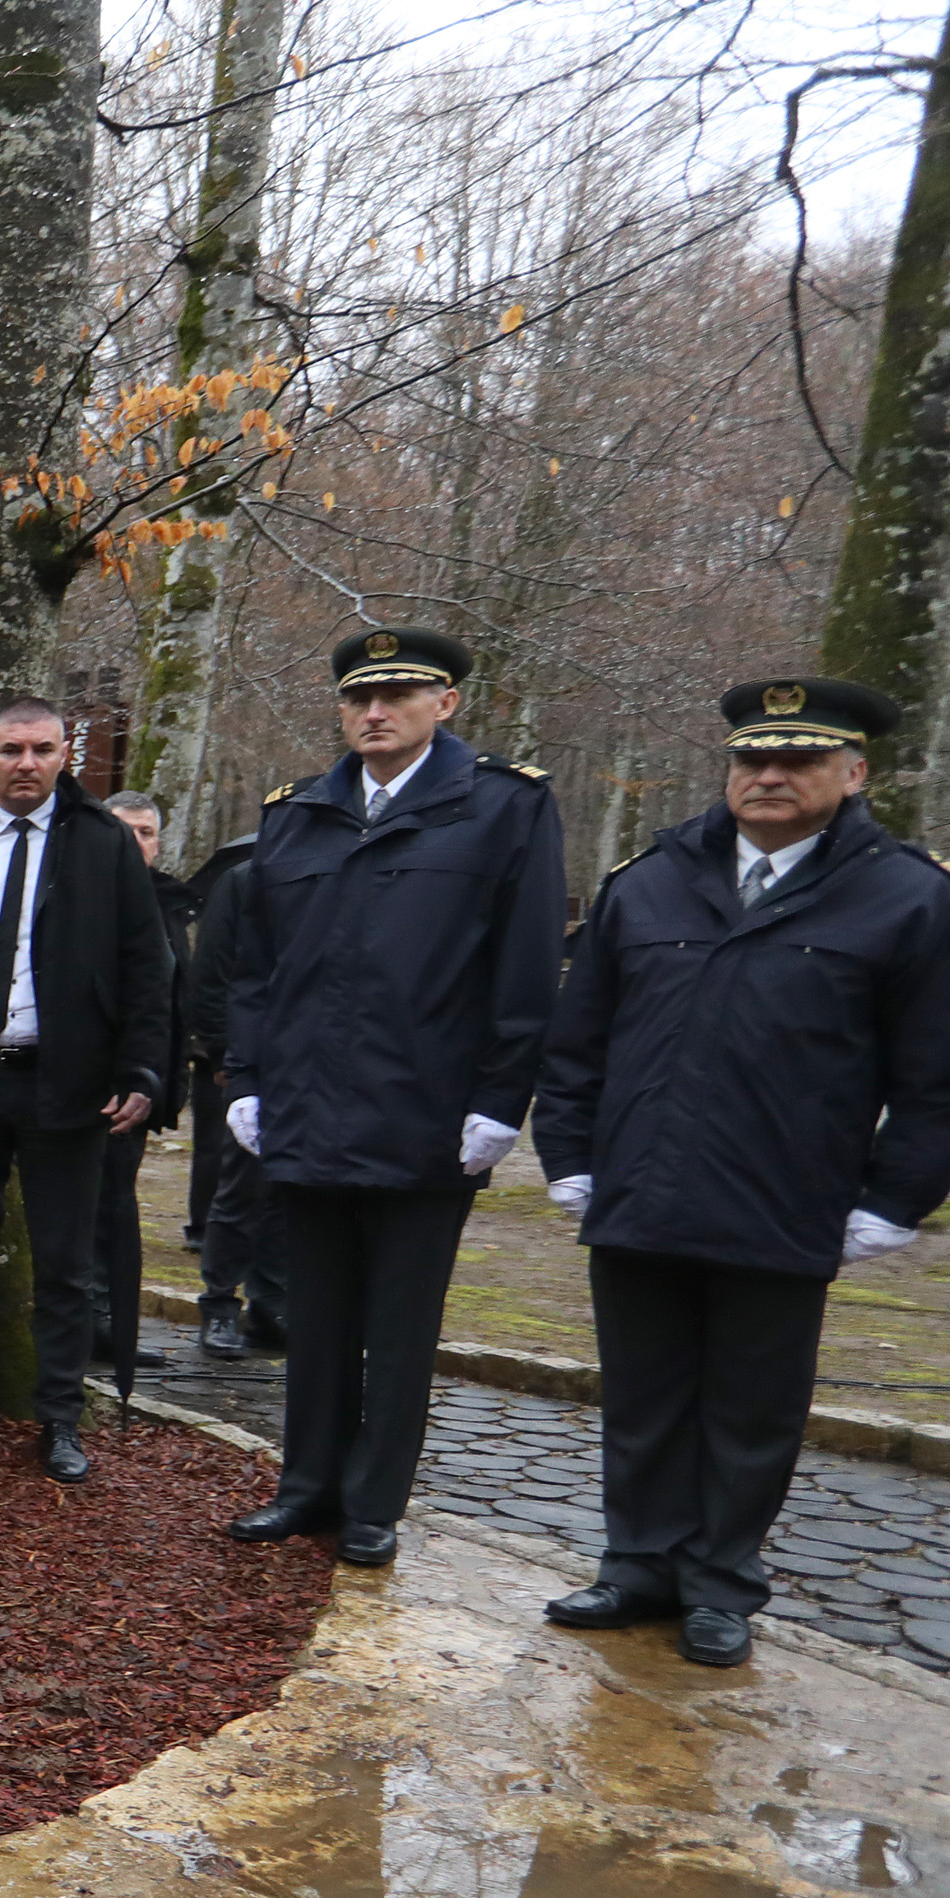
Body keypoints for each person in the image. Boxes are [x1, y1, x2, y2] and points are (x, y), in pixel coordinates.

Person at [531, 678, 950, 1666]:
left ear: (853, 772)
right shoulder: (648, 880)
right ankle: (637, 1564)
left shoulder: (912, 895)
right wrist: (567, 1155)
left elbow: (945, 1075)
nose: (770, 776)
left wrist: (892, 1199)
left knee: (750, 1408)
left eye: (799, 760)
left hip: (787, 1198)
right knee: (644, 1393)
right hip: (641, 1189)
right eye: (752, 758)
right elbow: (578, 1040)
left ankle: (719, 1582)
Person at [222, 628, 565, 1567]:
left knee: (400, 1326)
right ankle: (307, 1488)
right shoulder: (298, 814)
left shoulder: (504, 808)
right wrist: (245, 1078)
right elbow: (256, 971)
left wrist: (502, 1100)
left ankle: (375, 1502)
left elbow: (526, 968)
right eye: (359, 698)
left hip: (429, 1111)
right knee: (311, 1317)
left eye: (401, 694)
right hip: (306, 1107)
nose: (376, 712)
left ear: (445, 703)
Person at [0, 697, 171, 1478]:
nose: (27, 764)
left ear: (65, 756)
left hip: (69, 1084)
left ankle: (58, 1417)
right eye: (12, 749)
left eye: (43, 750)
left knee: (64, 1263)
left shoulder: (99, 844)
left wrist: (141, 1070)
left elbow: (144, 964)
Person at [185, 825, 284, 1355]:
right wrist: (227, 1056)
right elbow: (213, 974)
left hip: (315, 1066)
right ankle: (219, 1304)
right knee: (241, 1188)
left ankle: (273, 1304)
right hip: (251, 1065)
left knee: (293, 1193)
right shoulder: (244, 881)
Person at [99, 789, 183, 1383]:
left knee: (119, 1208)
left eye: (146, 833)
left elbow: (173, 1000)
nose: (136, 844)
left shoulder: (173, 903)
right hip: (94, 1090)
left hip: (146, 1087)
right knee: (92, 1211)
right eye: (123, 830)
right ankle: (90, 1322)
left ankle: (110, 1324)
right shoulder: (82, 899)